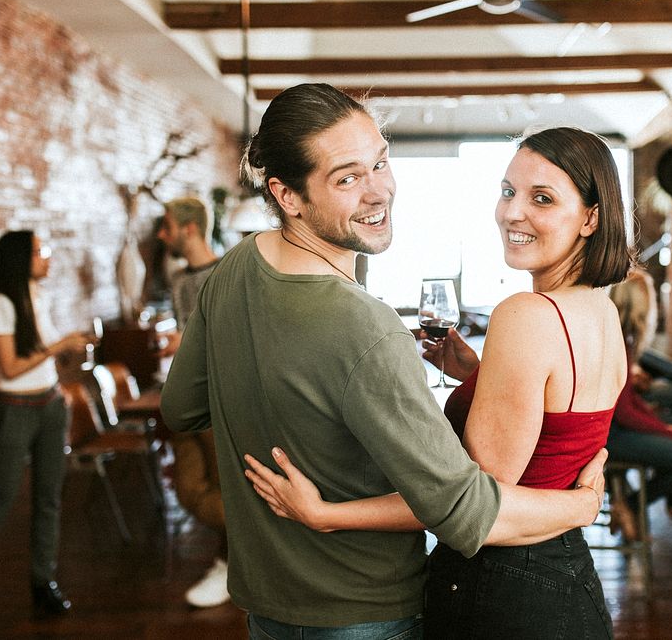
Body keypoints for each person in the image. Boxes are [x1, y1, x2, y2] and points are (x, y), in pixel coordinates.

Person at [160, 84, 613, 640]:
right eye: (347, 178)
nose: (379, 192)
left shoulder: (233, 267)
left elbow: (181, 408)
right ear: (288, 195)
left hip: (266, 602)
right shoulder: (368, 327)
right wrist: (582, 508)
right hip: (365, 608)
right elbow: (464, 506)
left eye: (379, 163)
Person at [0, 231, 92, 627]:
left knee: (49, 498)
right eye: (40, 251)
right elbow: (9, 367)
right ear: (19, 258)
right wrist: (59, 345)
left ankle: (43, 583)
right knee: (2, 499)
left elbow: (38, 355)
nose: (47, 257)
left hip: (50, 405)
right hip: (15, 410)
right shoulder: (1, 304)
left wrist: (61, 359)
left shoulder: (38, 296)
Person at [156, 196, 228, 608]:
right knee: (188, 489)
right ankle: (253, 546)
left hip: (221, 401)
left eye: (167, 226)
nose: (162, 235)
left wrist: (186, 342)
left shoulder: (226, 273)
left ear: (189, 228)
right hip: (187, 400)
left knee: (223, 485)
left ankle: (229, 562)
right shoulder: (180, 280)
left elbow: (231, 337)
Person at [605, 269, 672, 540]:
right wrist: (667, 431)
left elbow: (628, 401)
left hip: (616, 426)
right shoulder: (616, 341)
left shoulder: (620, 335)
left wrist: (663, 424)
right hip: (612, 436)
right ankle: (630, 505)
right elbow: (625, 412)